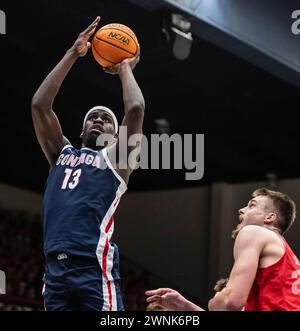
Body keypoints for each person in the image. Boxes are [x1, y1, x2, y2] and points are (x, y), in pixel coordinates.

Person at [31, 16, 145, 311]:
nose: (98, 120)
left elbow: (135, 108)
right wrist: (73, 53)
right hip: (54, 271)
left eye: (106, 119)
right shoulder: (61, 153)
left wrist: (124, 68)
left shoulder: (117, 161)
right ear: (81, 132)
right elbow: (40, 105)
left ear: (114, 134)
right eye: (92, 117)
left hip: (93, 269)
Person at [146, 188, 300, 311]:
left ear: (269, 218)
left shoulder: (254, 232)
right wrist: (185, 307)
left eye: (252, 205)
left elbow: (230, 303)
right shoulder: (285, 262)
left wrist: (215, 301)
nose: (241, 209)